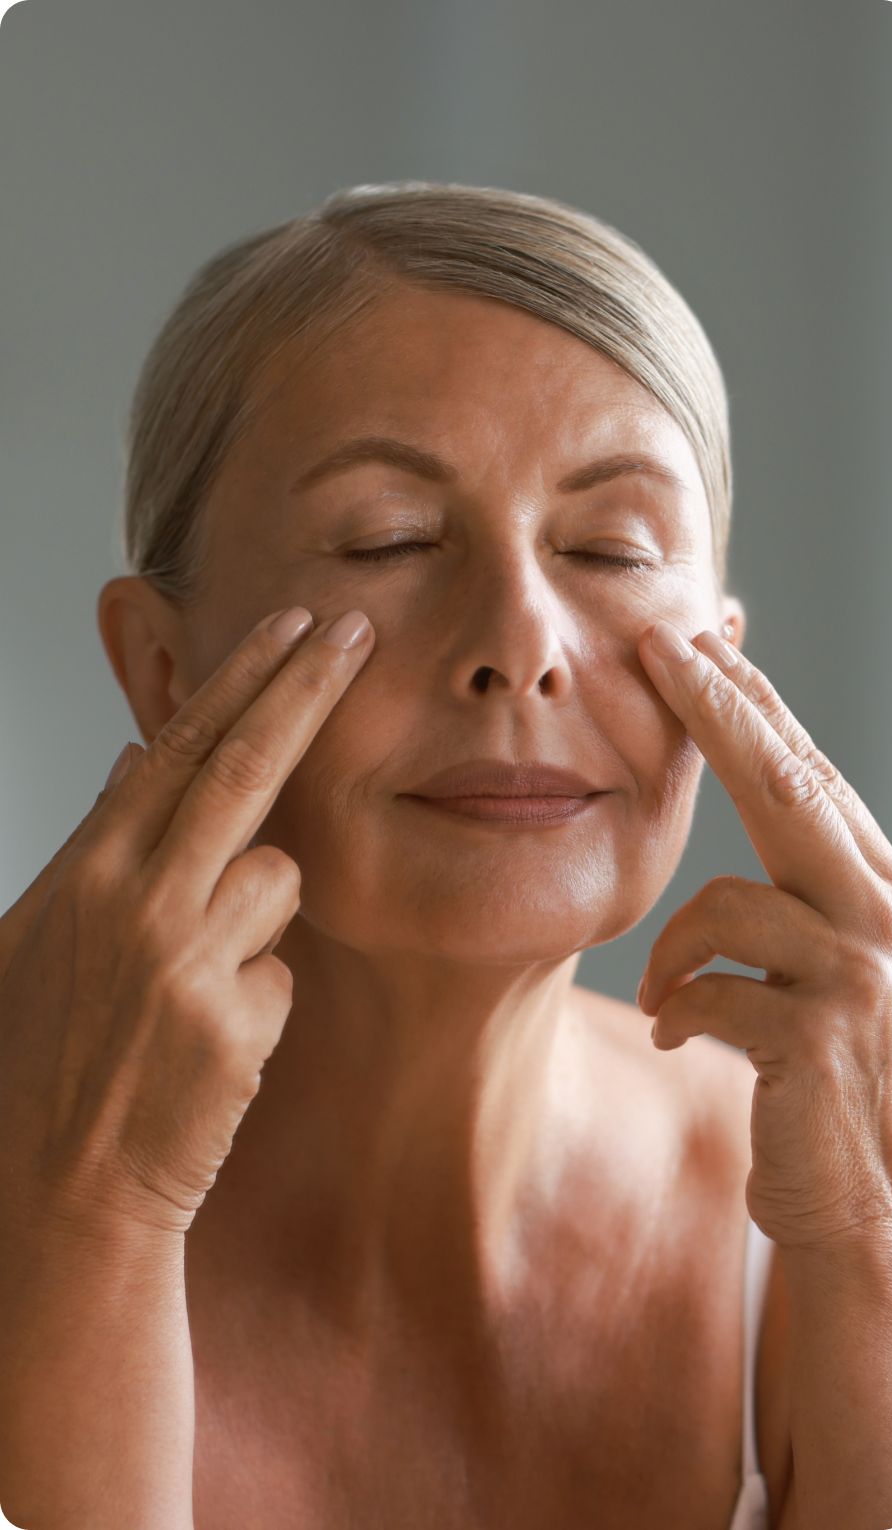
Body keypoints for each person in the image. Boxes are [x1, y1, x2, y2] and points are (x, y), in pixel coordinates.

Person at [1, 182, 793, 1529]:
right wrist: (90, 1227)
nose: (521, 641)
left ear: (722, 665)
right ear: (163, 667)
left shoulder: (827, 1204)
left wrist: (877, 1241)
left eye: (609, 548)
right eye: (393, 539)